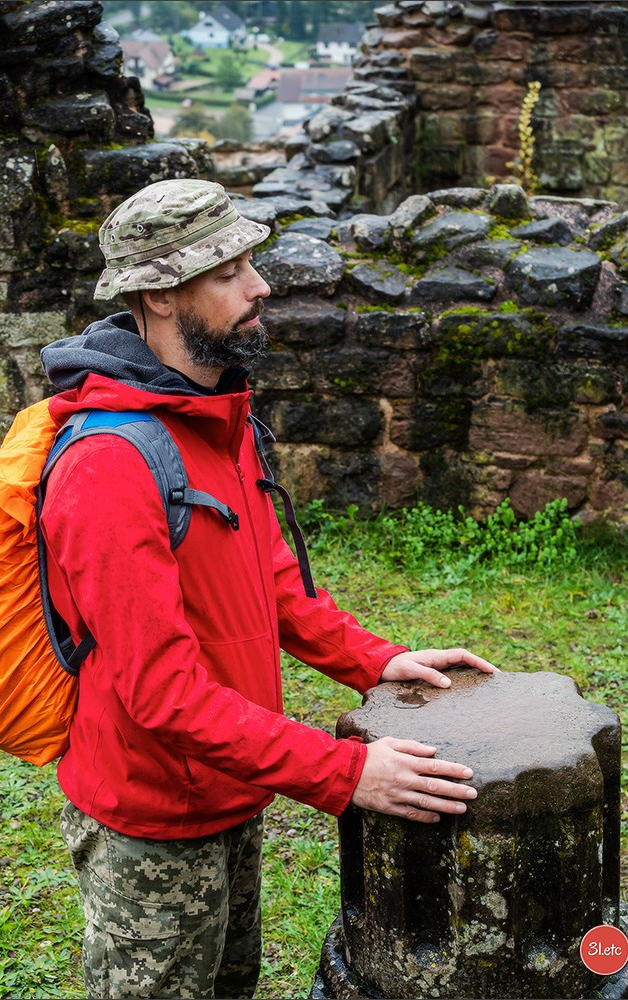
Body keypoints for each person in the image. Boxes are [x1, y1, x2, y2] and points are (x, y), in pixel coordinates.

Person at [38, 178, 497, 1000]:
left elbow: (270, 581)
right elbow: (162, 694)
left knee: (231, 985)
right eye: (230, 271)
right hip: (153, 816)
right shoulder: (107, 464)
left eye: (251, 262)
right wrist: (343, 773)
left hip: (232, 784)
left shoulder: (216, 411)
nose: (261, 287)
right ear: (160, 294)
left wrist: (373, 660)